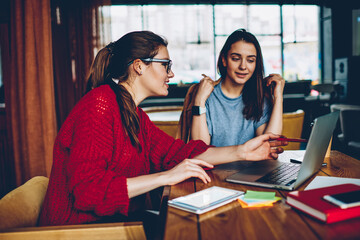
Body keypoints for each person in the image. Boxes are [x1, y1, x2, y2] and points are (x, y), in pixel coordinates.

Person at [39, 31, 285, 236]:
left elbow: (177, 153)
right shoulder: (99, 105)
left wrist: (243, 151)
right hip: (81, 230)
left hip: (116, 221)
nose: (171, 74)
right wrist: (165, 177)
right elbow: (87, 191)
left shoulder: (133, 115)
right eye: (166, 65)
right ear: (139, 66)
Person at [178, 29, 285, 147]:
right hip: (214, 165)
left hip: (253, 166)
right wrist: (199, 100)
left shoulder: (259, 97)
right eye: (235, 58)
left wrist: (278, 97)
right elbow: (200, 148)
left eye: (250, 60)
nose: (243, 66)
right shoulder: (206, 96)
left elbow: (270, 144)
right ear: (224, 60)